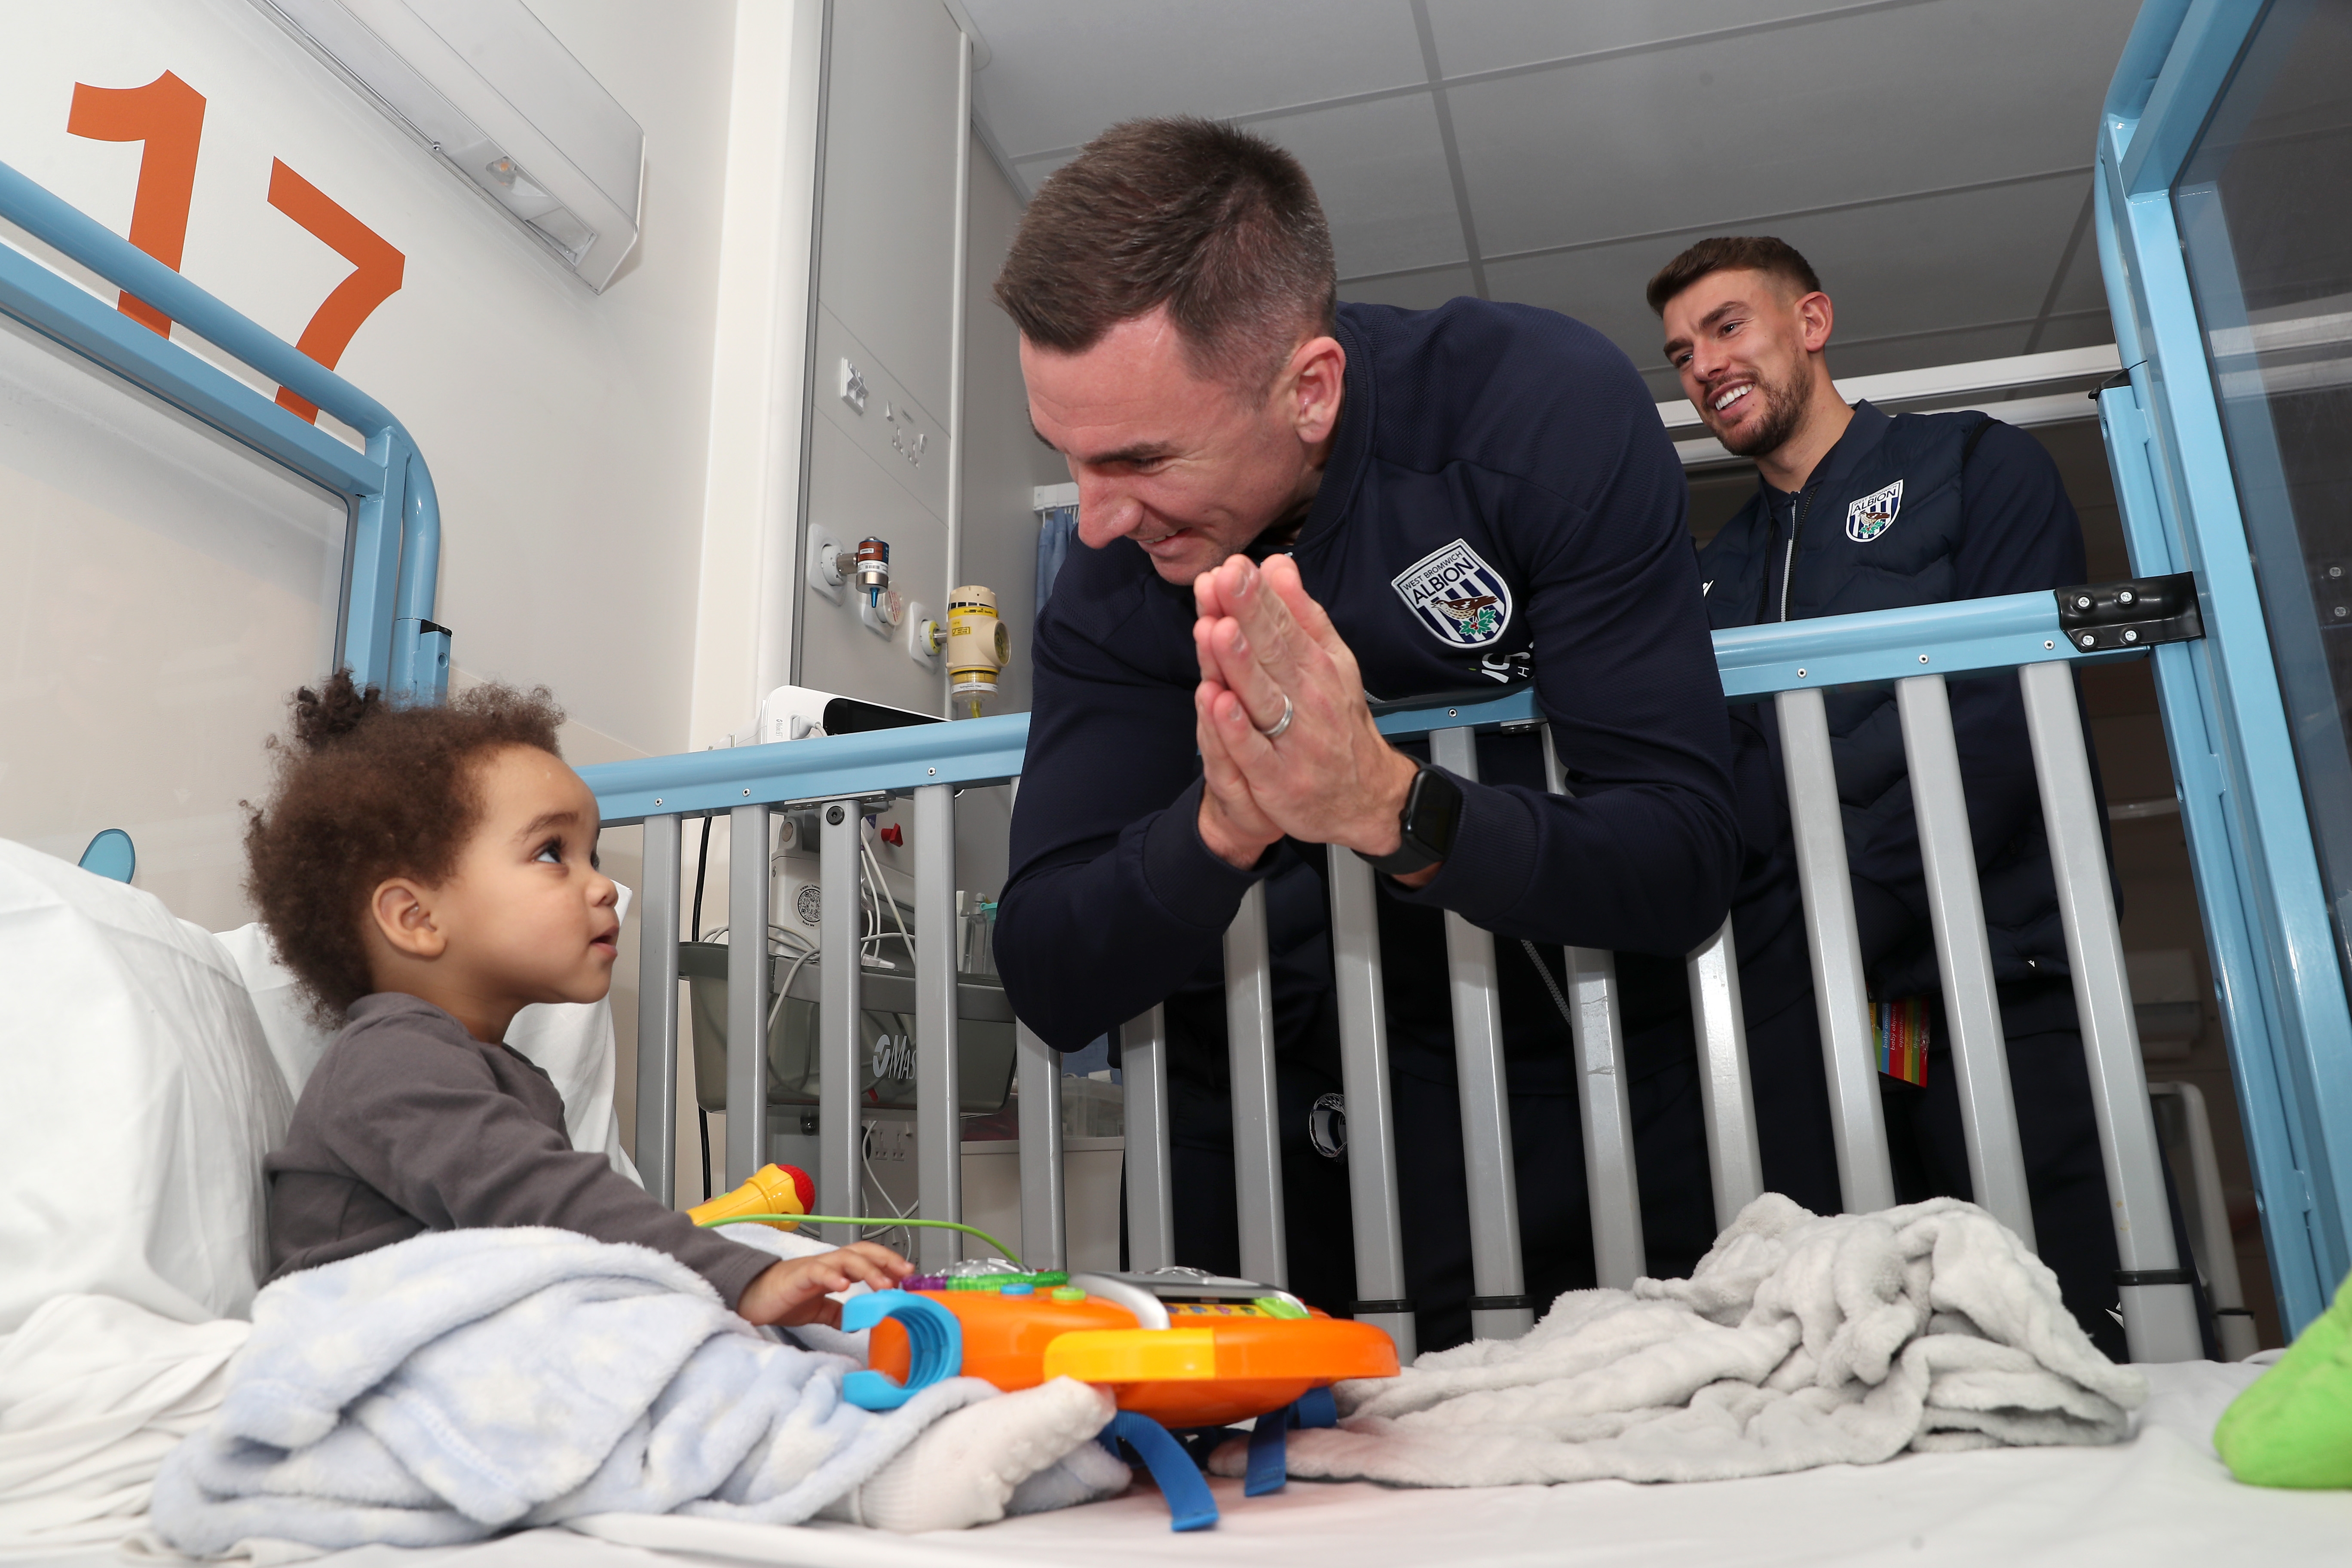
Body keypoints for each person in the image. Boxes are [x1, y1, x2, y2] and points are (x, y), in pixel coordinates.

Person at [991, 117, 1742, 1352]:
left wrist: (1395, 809)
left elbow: (1680, 859)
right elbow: (1051, 975)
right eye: (1065, 459)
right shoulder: (1113, 578)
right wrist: (1219, 827)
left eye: (1136, 459)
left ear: (1311, 387)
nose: (1096, 522)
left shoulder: (1533, 413)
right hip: (1242, 1160)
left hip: (1554, 1115)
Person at [1649, 235, 2132, 1355]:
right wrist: (1788, 956)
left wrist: (1837, 920)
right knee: (1860, 1342)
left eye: (1729, 325)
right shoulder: (1711, 575)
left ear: (1811, 322)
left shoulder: (1977, 467)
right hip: (1825, 1030)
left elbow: (2006, 724)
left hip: (2004, 985)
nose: (1705, 363)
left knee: (2055, 1319)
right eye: (1680, 352)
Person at [245, 671, 912, 1326]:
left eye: (594, 855)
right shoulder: (388, 1062)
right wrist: (739, 1275)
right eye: (550, 854)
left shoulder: (509, 1076)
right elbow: (547, 1202)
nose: (601, 888)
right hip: (369, 1350)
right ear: (417, 919)